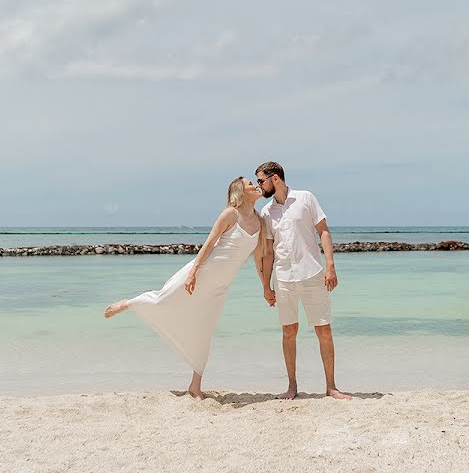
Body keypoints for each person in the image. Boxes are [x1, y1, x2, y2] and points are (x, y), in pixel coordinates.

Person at [104, 177, 266, 400]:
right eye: (250, 184)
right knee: (164, 299)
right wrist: (193, 273)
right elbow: (209, 243)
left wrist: (266, 287)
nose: (255, 186)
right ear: (240, 191)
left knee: (204, 330)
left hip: (220, 286)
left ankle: (195, 386)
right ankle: (129, 303)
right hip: (202, 273)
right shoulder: (230, 214)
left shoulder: (260, 221)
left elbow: (259, 258)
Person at [256, 161, 351, 400]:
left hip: (312, 273)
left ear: (275, 178)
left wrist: (330, 266)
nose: (259, 186)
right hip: (284, 277)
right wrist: (266, 286)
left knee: (323, 330)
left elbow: (324, 231)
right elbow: (268, 251)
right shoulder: (267, 212)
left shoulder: (305, 198)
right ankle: (292, 387)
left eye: (261, 180)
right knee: (289, 331)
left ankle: (331, 387)